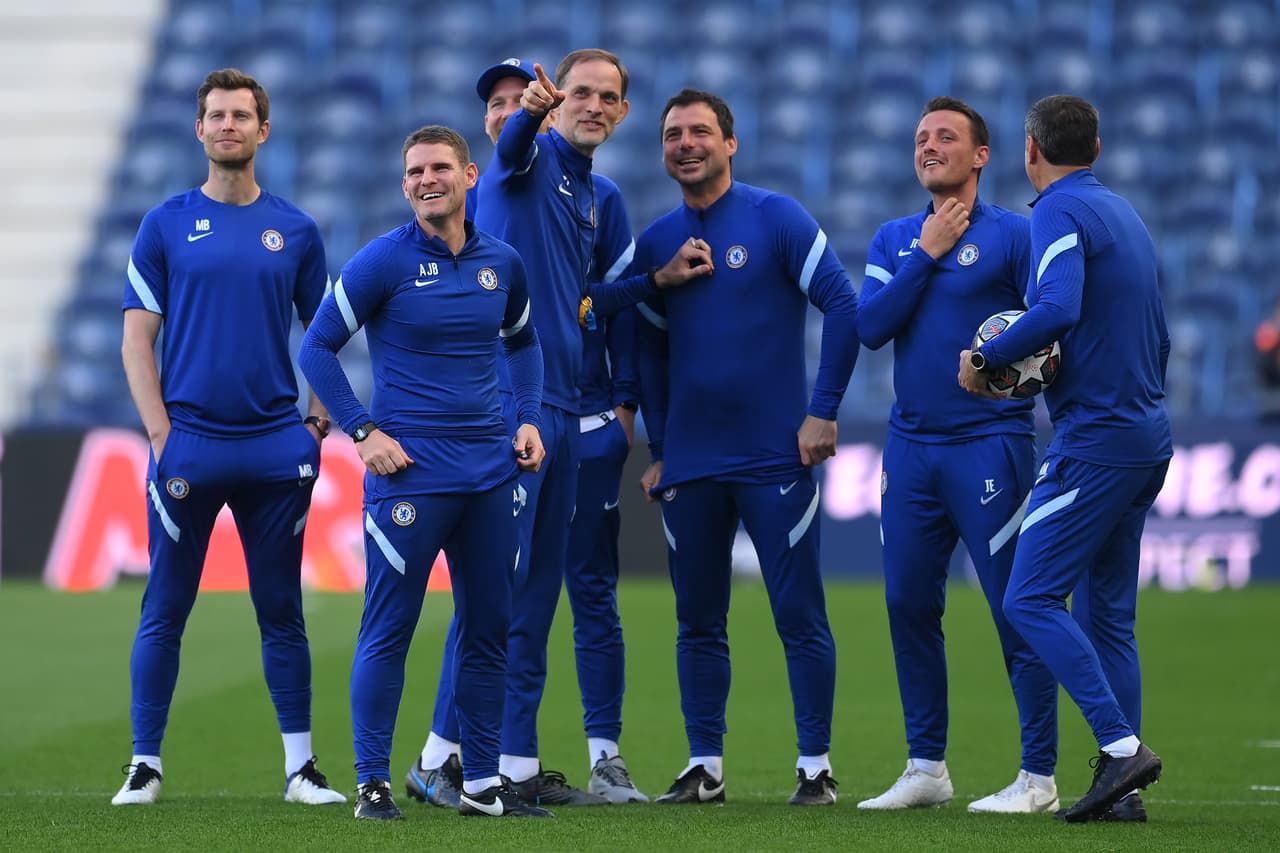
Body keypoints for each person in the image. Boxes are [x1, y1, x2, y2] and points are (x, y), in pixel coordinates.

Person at [409, 50, 708, 809]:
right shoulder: (527, 157)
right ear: (556, 101)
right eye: (581, 93)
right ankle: (438, 758)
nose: (595, 105)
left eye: (609, 97)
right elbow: (511, 144)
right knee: (494, 593)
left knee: (535, 597)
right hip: (515, 409)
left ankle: (513, 763)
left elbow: (582, 300)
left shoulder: (588, 190)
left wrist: (654, 283)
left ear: (623, 112)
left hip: (565, 406)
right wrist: (532, 114)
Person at [298, 124, 552, 820]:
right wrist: (362, 429)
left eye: (440, 166)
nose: (425, 178)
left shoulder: (504, 261)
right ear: (403, 182)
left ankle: (480, 781)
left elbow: (525, 346)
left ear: (471, 176)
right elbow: (317, 348)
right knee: (390, 628)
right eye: (414, 170)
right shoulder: (383, 260)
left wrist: (527, 417)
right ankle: (373, 782)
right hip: (409, 476)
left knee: (488, 628)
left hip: (490, 474)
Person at [113, 68, 345, 807]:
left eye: (241, 115)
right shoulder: (164, 223)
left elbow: (327, 338)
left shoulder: (298, 229)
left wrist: (315, 425)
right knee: (165, 607)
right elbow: (134, 341)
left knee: (282, 609)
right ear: (198, 128)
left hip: (278, 446)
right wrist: (159, 432)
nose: (227, 125)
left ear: (263, 130)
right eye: (215, 114)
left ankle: (301, 769)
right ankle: (144, 765)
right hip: (190, 445)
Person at [633, 88, 861, 806]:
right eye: (673, 134)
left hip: (775, 455)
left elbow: (845, 304)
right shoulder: (655, 243)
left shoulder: (777, 217)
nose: (686, 142)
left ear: (731, 143)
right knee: (697, 620)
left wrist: (822, 412)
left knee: (799, 614)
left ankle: (814, 767)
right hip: (692, 462)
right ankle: (706, 766)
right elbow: (646, 351)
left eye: (701, 131)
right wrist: (660, 445)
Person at [958, 94, 1171, 823]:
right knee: (1110, 617)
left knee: (1029, 596)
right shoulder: (1126, 215)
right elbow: (1156, 332)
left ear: (1029, 151)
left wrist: (988, 356)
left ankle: (1120, 750)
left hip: (1099, 439)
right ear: (1100, 148)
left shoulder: (1055, 209)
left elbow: (1056, 308)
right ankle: (1124, 795)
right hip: (1148, 431)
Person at [855, 97, 1060, 814]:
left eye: (947, 136)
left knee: (1017, 607)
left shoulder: (1017, 234)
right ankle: (926, 766)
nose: (929, 146)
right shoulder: (894, 239)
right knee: (908, 602)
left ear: (981, 156)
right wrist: (927, 254)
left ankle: (1038, 774)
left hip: (990, 442)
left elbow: (1055, 319)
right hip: (910, 447)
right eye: (920, 138)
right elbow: (871, 326)